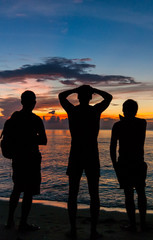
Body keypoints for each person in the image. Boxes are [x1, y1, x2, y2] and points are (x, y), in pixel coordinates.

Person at [59, 85, 112, 239]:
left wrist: (76, 89)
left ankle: (74, 229)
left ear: (78, 97)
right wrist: (94, 89)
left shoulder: (73, 111)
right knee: (94, 194)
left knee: (73, 193)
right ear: (90, 97)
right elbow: (108, 97)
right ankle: (93, 231)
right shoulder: (94, 111)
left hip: (76, 153)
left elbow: (61, 96)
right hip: (91, 154)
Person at [3, 90, 47, 231]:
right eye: (32, 101)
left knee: (17, 190)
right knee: (27, 192)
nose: (32, 104)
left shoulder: (14, 118)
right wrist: (30, 137)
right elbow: (44, 140)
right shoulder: (35, 119)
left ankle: (11, 221)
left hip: (19, 159)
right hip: (30, 159)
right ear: (33, 102)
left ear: (22, 102)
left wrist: (22, 138)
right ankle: (22, 223)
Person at [110, 99, 147, 232]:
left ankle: (133, 224)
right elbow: (113, 147)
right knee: (140, 193)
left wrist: (115, 166)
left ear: (123, 111)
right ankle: (141, 224)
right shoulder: (141, 123)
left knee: (129, 195)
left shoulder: (119, 125)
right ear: (136, 111)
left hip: (125, 164)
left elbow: (112, 148)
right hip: (137, 163)